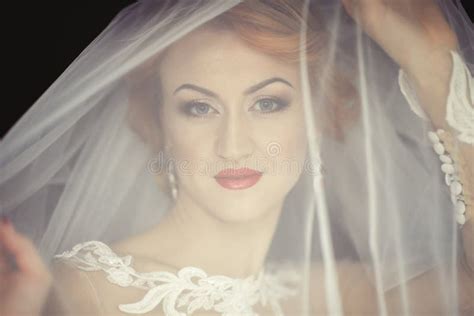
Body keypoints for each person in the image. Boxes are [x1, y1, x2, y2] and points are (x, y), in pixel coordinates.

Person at [1, 0, 473, 315]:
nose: (234, 144)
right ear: (161, 124)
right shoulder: (82, 293)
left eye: (268, 103)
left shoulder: (337, 295)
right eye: (199, 107)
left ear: (314, 119)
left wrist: (432, 66)